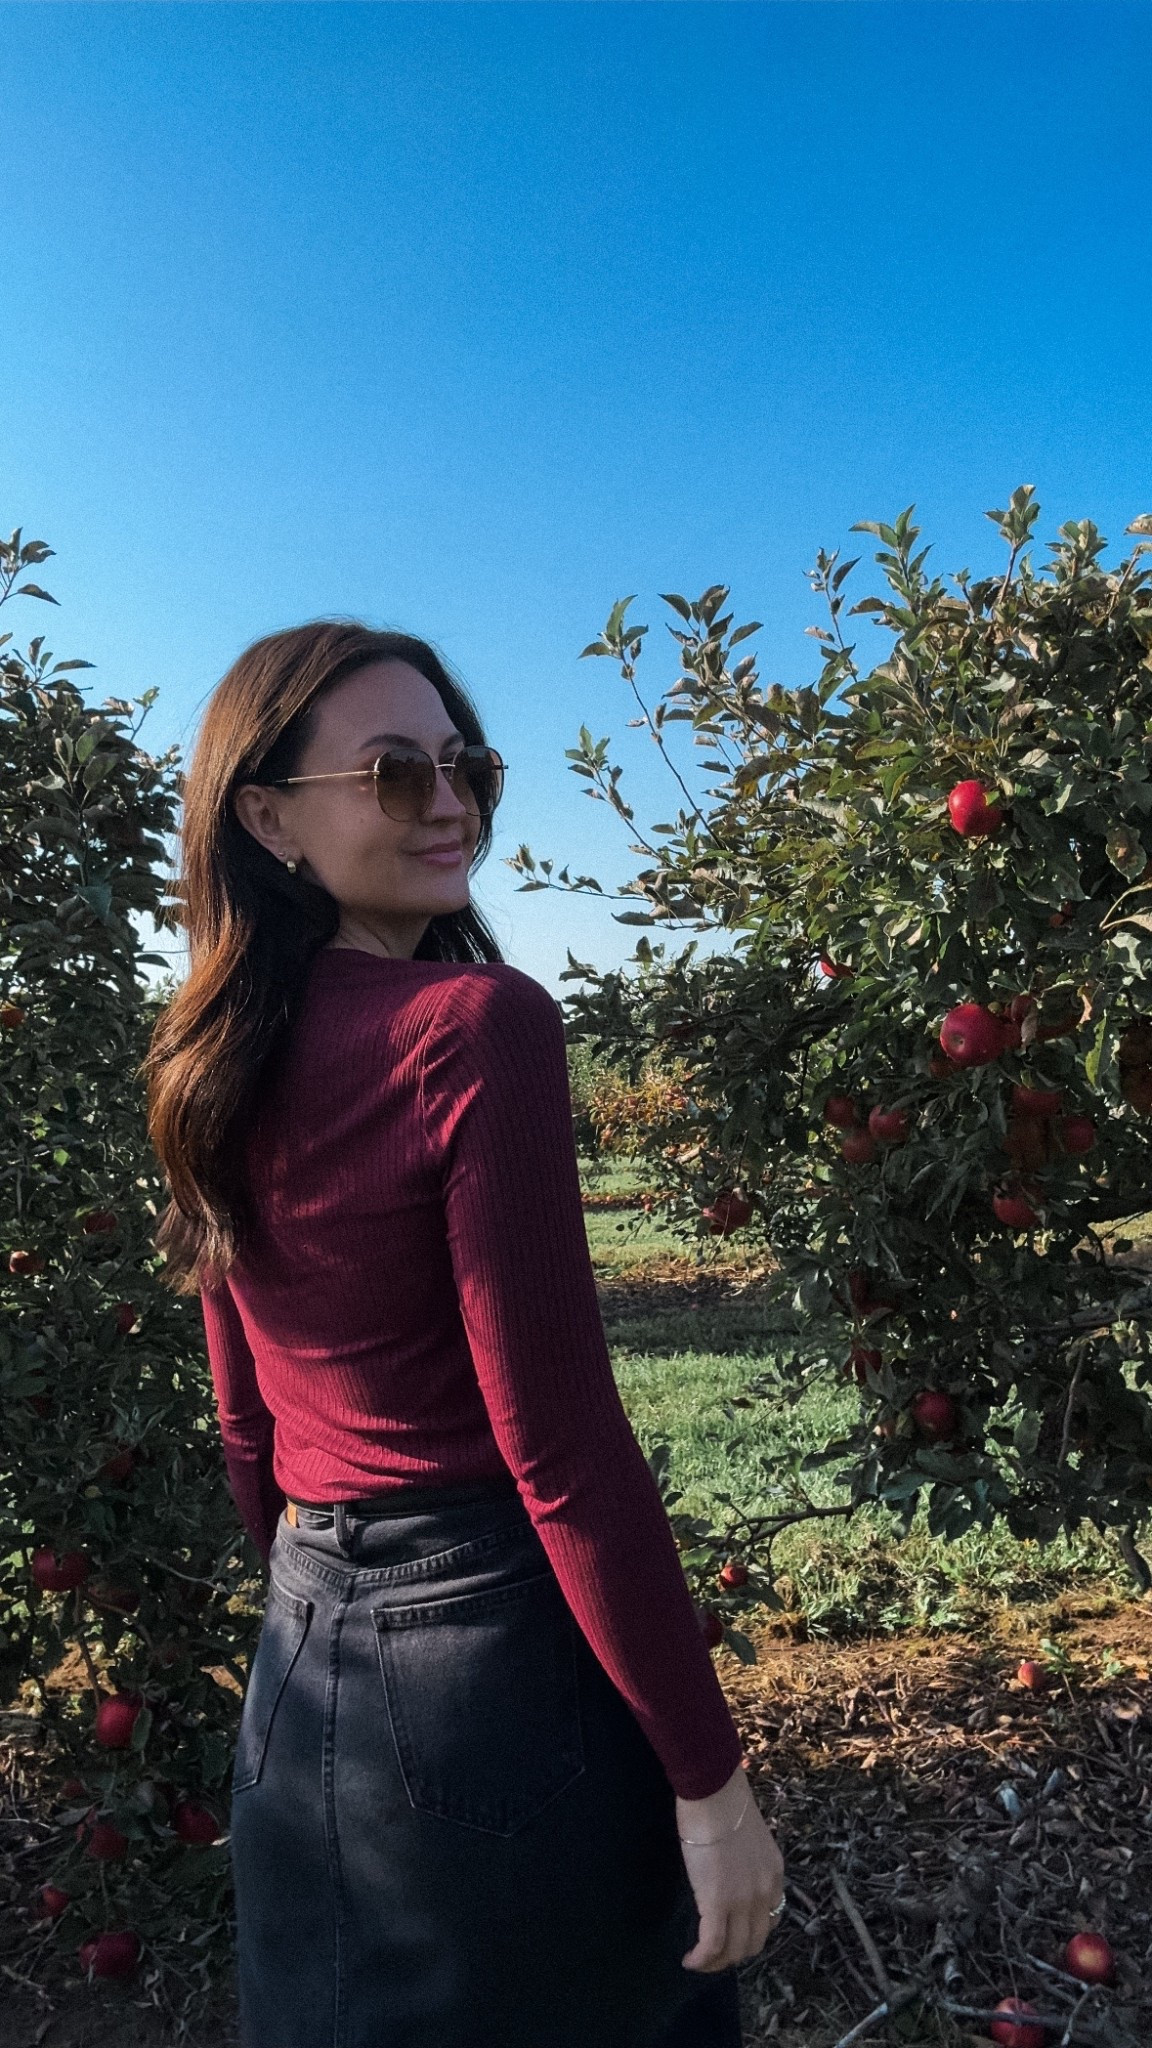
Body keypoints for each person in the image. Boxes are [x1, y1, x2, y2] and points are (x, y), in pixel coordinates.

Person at [143, 621, 785, 2048]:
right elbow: (558, 1445)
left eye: (467, 766)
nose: (451, 806)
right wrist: (710, 1779)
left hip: (308, 1664)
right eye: (392, 772)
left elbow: (245, 1423)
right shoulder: (473, 1023)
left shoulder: (207, 1058)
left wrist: (322, 1604)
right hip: (494, 1657)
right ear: (266, 816)